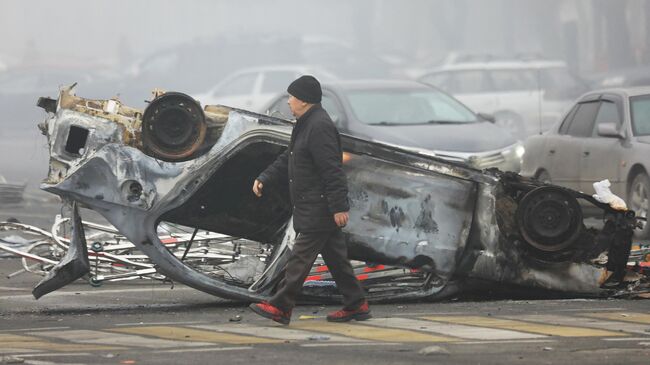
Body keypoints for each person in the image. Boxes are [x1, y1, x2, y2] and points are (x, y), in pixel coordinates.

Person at [249, 75, 370, 325]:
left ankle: (280, 306)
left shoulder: (319, 127)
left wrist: (338, 207)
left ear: (304, 101)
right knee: (337, 260)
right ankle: (357, 304)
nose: (289, 102)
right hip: (313, 203)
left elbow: (332, 169)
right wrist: (265, 177)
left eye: (292, 97)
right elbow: (289, 158)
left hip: (320, 205)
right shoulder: (305, 123)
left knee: (299, 259)